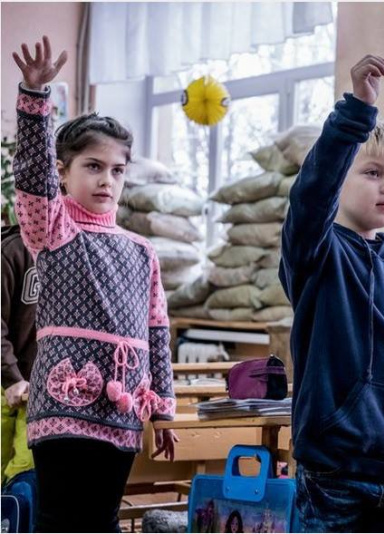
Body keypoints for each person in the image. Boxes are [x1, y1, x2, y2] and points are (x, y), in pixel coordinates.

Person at [279, 54, 384, 533]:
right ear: (342, 178)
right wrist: (356, 111)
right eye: (372, 173)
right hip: (334, 475)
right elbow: (311, 195)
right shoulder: (317, 252)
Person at [12, 35, 178, 532]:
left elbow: (157, 333)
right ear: (63, 174)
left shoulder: (142, 251)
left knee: (103, 521)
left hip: (123, 413)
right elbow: (32, 177)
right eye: (93, 167)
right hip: (61, 406)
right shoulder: (54, 230)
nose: (107, 180)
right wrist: (34, 98)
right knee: (61, 521)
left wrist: (163, 412)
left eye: (117, 170)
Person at [1, 224, 38, 485]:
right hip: (5, 381)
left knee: (26, 477)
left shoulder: (75, 248)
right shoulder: (11, 251)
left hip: (42, 391)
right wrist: (11, 376)